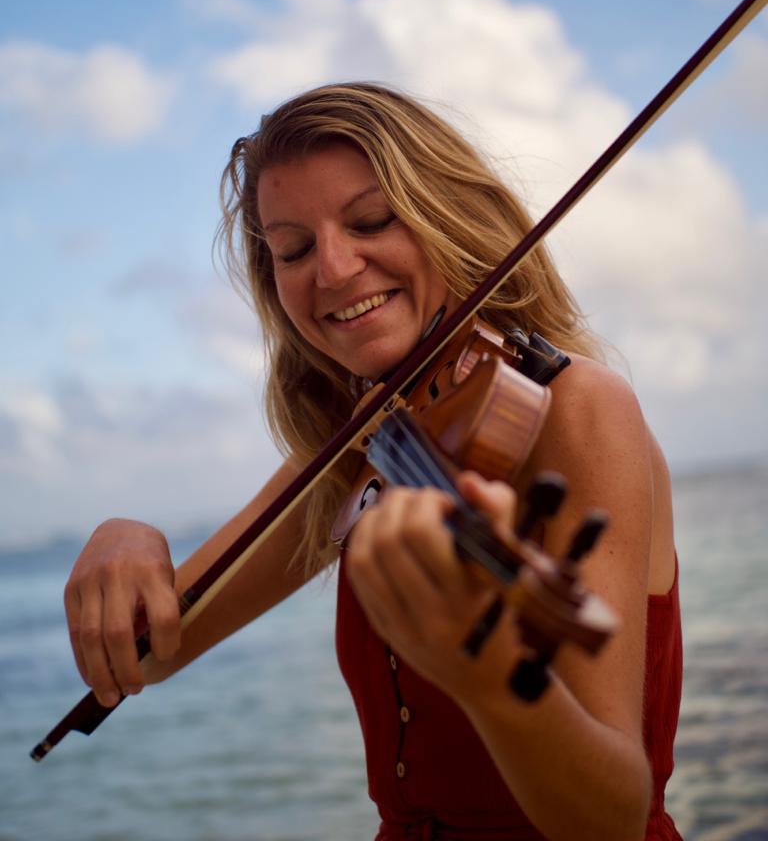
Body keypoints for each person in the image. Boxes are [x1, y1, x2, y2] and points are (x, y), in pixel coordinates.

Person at [63, 83, 682, 841]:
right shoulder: (367, 441)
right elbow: (153, 650)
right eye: (290, 248)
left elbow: (612, 820)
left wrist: (487, 672)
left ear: (448, 217)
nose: (331, 268)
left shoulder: (578, 409)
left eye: (371, 221)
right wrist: (125, 537)